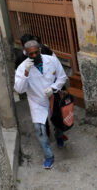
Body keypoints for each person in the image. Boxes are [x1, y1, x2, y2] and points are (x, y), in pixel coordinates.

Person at [14, 40, 67, 169]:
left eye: (36, 52)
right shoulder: (22, 68)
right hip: (37, 102)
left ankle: (59, 136)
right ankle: (49, 156)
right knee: (40, 131)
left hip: (53, 97)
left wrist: (54, 88)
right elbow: (19, 90)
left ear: (40, 50)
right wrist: (26, 73)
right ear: (26, 53)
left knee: (59, 122)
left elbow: (62, 77)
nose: (34, 56)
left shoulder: (52, 60)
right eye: (30, 54)